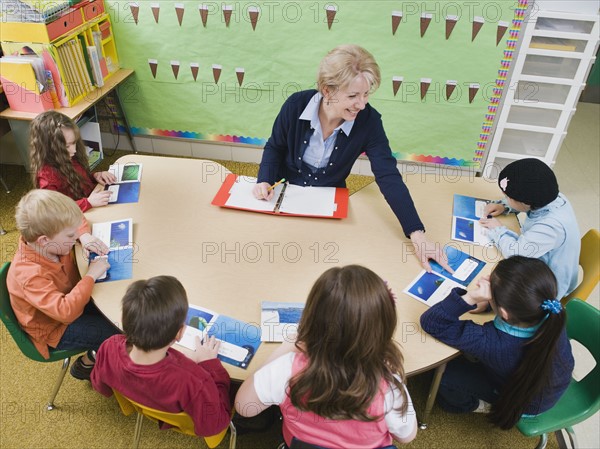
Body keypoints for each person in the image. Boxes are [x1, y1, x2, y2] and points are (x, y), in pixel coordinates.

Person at [252, 44, 449, 272]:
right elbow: (275, 147)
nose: (362, 104)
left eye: (366, 94)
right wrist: (264, 179)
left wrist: (418, 235)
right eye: (353, 95)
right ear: (327, 91)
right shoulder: (296, 105)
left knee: (321, 262)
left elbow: (388, 175)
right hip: (285, 193)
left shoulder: (369, 121)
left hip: (329, 200)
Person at [235, 265, 417, 448]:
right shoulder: (389, 389)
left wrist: (290, 346)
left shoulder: (287, 370)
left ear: (311, 319)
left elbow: (244, 407)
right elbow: (407, 436)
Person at [420, 256, 574, 429]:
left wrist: (471, 297)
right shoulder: (550, 312)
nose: (485, 280)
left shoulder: (491, 342)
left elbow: (433, 323)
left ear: (504, 313)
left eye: (490, 287)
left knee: (444, 376)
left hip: (522, 402)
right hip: (549, 385)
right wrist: (492, 303)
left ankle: (475, 404)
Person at [91, 276, 232, 438]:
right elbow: (213, 426)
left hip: (139, 401)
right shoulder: (196, 380)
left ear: (125, 321)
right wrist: (210, 365)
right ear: (179, 333)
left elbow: (100, 385)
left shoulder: (109, 346)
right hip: (189, 418)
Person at [7, 189, 120, 380]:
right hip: (56, 328)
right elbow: (67, 312)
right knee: (119, 334)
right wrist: (90, 275)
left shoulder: (51, 242)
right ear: (44, 240)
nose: (74, 237)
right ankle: (88, 362)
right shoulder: (28, 275)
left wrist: (84, 236)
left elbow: (78, 219)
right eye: (70, 236)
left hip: (73, 298)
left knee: (121, 309)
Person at [480, 158, 580, 300]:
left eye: (508, 197)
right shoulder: (551, 197)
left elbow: (516, 253)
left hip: (546, 287)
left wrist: (498, 230)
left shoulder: (550, 227)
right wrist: (505, 206)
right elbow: (526, 205)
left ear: (526, 202)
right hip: (538, 260)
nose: (505, 198)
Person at [29, 110, 116, 212]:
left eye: (74, 142)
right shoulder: (47, 176)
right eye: (66, 146)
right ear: (48, 148)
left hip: (92, 202)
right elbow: (55, 210)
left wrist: (95, 176)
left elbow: (78, 178)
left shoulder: (70, 156)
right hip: (77, 216)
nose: (74, 150)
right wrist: (88, 202)